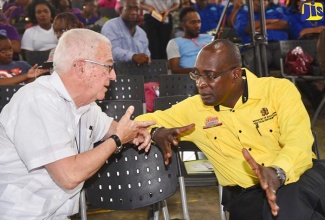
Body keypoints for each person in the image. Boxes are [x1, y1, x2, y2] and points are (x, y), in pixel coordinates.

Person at [136, 39, 325, 219]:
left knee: (290, 200)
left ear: (235, 74)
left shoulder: (278, 91)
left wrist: (277, 172)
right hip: (248, 196)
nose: (200, 83)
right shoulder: (194, 110)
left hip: (300, 178)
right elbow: (136, 123)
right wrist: (155, 131)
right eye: (197, 74)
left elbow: (298, 140)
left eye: (210, 75)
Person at [0, 28, 155, 218]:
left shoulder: (86, 106)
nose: (113, 76)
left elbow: (114, 128)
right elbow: (69, 176)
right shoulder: (38, 99)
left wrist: (136, 133)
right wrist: (117, 139)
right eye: (108, 66)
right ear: (81, 67)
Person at [101, 0, 150, 65]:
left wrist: (147, 59)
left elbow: (147, 55)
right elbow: (112, 51)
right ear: (120, 10)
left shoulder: (142, 33)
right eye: (129, 8)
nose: (133, 12)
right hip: (115, 72)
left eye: (136, 9)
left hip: (139, 73)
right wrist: (133, 56)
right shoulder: (111, 26)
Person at [166, 7, 212, 74]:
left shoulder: (209, 38)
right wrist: (199, 71)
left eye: (199, 22)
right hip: (188, 80)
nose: (197, 25)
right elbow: (175, 70)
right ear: (183, 24)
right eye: (193, 22)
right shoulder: (174, 43)